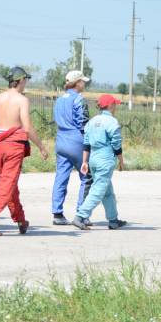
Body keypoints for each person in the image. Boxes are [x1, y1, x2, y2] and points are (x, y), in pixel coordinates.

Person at [0, 66, 49, 236]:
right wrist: (41, 146)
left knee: (9, 184)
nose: (26, 83)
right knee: (7, 185)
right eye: (26, 80)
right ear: (21, 80)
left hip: (0, 146)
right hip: (14, 146)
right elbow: (27, 127)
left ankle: (21, 219)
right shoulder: (22, 100)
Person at [71, 94, 126, 230]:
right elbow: (117, 145)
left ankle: (113, 220)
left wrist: (85, 162)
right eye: (115, 104)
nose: (116, 107)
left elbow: (86, 144)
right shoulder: (112, 122)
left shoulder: (92, 121)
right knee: (98, 190)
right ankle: (80, 216)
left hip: (93, 160)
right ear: (110, 106)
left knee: (107, 191)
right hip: (105, 160)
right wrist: (121, 161)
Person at [51, 70, 92, 225]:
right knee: (86, 176)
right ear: (77, 83)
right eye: (83, 81)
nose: (84, 84)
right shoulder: (79, 99)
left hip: (61, 140)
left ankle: (57, 214)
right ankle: (82, 214)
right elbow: (83, 123)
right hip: (76, 141)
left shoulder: (59, 99)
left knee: (61, 177)